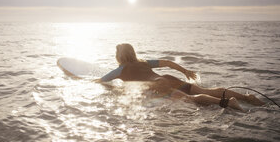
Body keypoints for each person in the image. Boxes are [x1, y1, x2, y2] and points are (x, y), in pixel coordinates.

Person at [96, 43, 264, 111]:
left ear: (120, 57)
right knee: (207, 90)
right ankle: (246, 97)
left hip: (159, 86)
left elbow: (102, 80)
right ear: (132, 53)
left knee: (192, 99)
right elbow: (168, 62)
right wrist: (185, 72)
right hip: (168, 78)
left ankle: (227, 103)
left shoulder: (120, 71)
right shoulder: (145, 62)